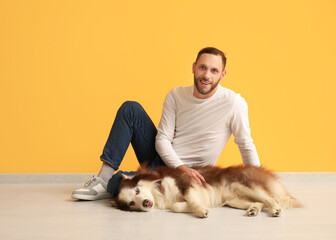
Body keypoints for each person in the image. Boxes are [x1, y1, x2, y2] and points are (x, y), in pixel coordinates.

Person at [71, 47, 260, 200]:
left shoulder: (233, 103)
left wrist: (259, 184)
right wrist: (179, 165)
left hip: (191, 173)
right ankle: (102, 180)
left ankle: (117, 183)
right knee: (130, 109)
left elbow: (245, 144)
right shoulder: (176, 95)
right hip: (165, 159)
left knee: (118, 183)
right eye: (202, 67)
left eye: (214, 71)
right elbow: (162, 140)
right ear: (194, 67)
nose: (207, 76)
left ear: (222, 74)